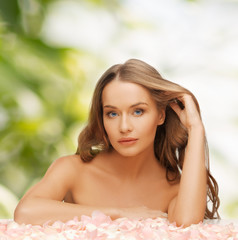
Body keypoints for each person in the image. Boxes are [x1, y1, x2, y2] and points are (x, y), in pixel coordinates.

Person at [14, 59, 220, 227]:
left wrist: (195, 128)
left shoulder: (174, 188)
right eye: (112, 113)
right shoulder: (73, 169)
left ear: (160, 115)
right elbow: (25, 212)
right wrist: (119, 213)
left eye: (138, 111)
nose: (124, 126)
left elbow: (187, 224)